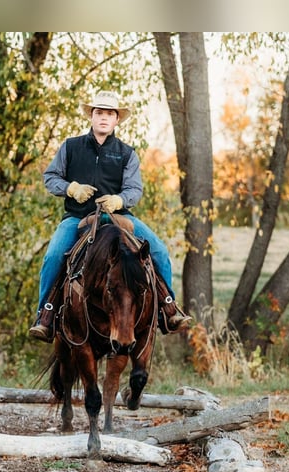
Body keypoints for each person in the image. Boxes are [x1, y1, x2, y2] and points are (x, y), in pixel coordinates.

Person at [29, 90, 192, 342]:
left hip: (119, 217)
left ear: (117, 120)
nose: (104, 118)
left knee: (158, 250)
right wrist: (71, 188)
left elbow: (134, 189)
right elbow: (51, 177)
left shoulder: (127, 153)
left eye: (109, 114)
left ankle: (168, 309)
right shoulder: (70, 147)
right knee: (52, 256)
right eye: (99, 113)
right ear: (91, 117)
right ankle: (45, 316)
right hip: (77, 217)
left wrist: (120, 200)